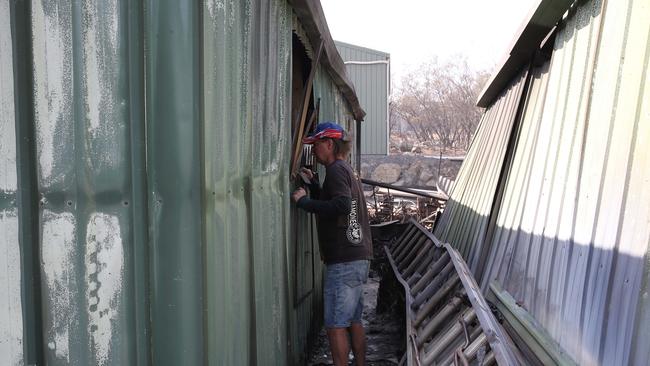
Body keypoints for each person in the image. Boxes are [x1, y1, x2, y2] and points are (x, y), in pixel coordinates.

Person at [291, 122, 373, 366]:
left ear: (329, 144)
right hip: (358, 256)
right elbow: (341, 204)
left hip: (344, 261)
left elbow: (342, 206)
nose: (314, 151)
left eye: (316, 145)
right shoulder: (345, 170)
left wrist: (305, 202)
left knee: (335, 326)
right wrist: (316, 186)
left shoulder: (336, 170)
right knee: (353, 320)